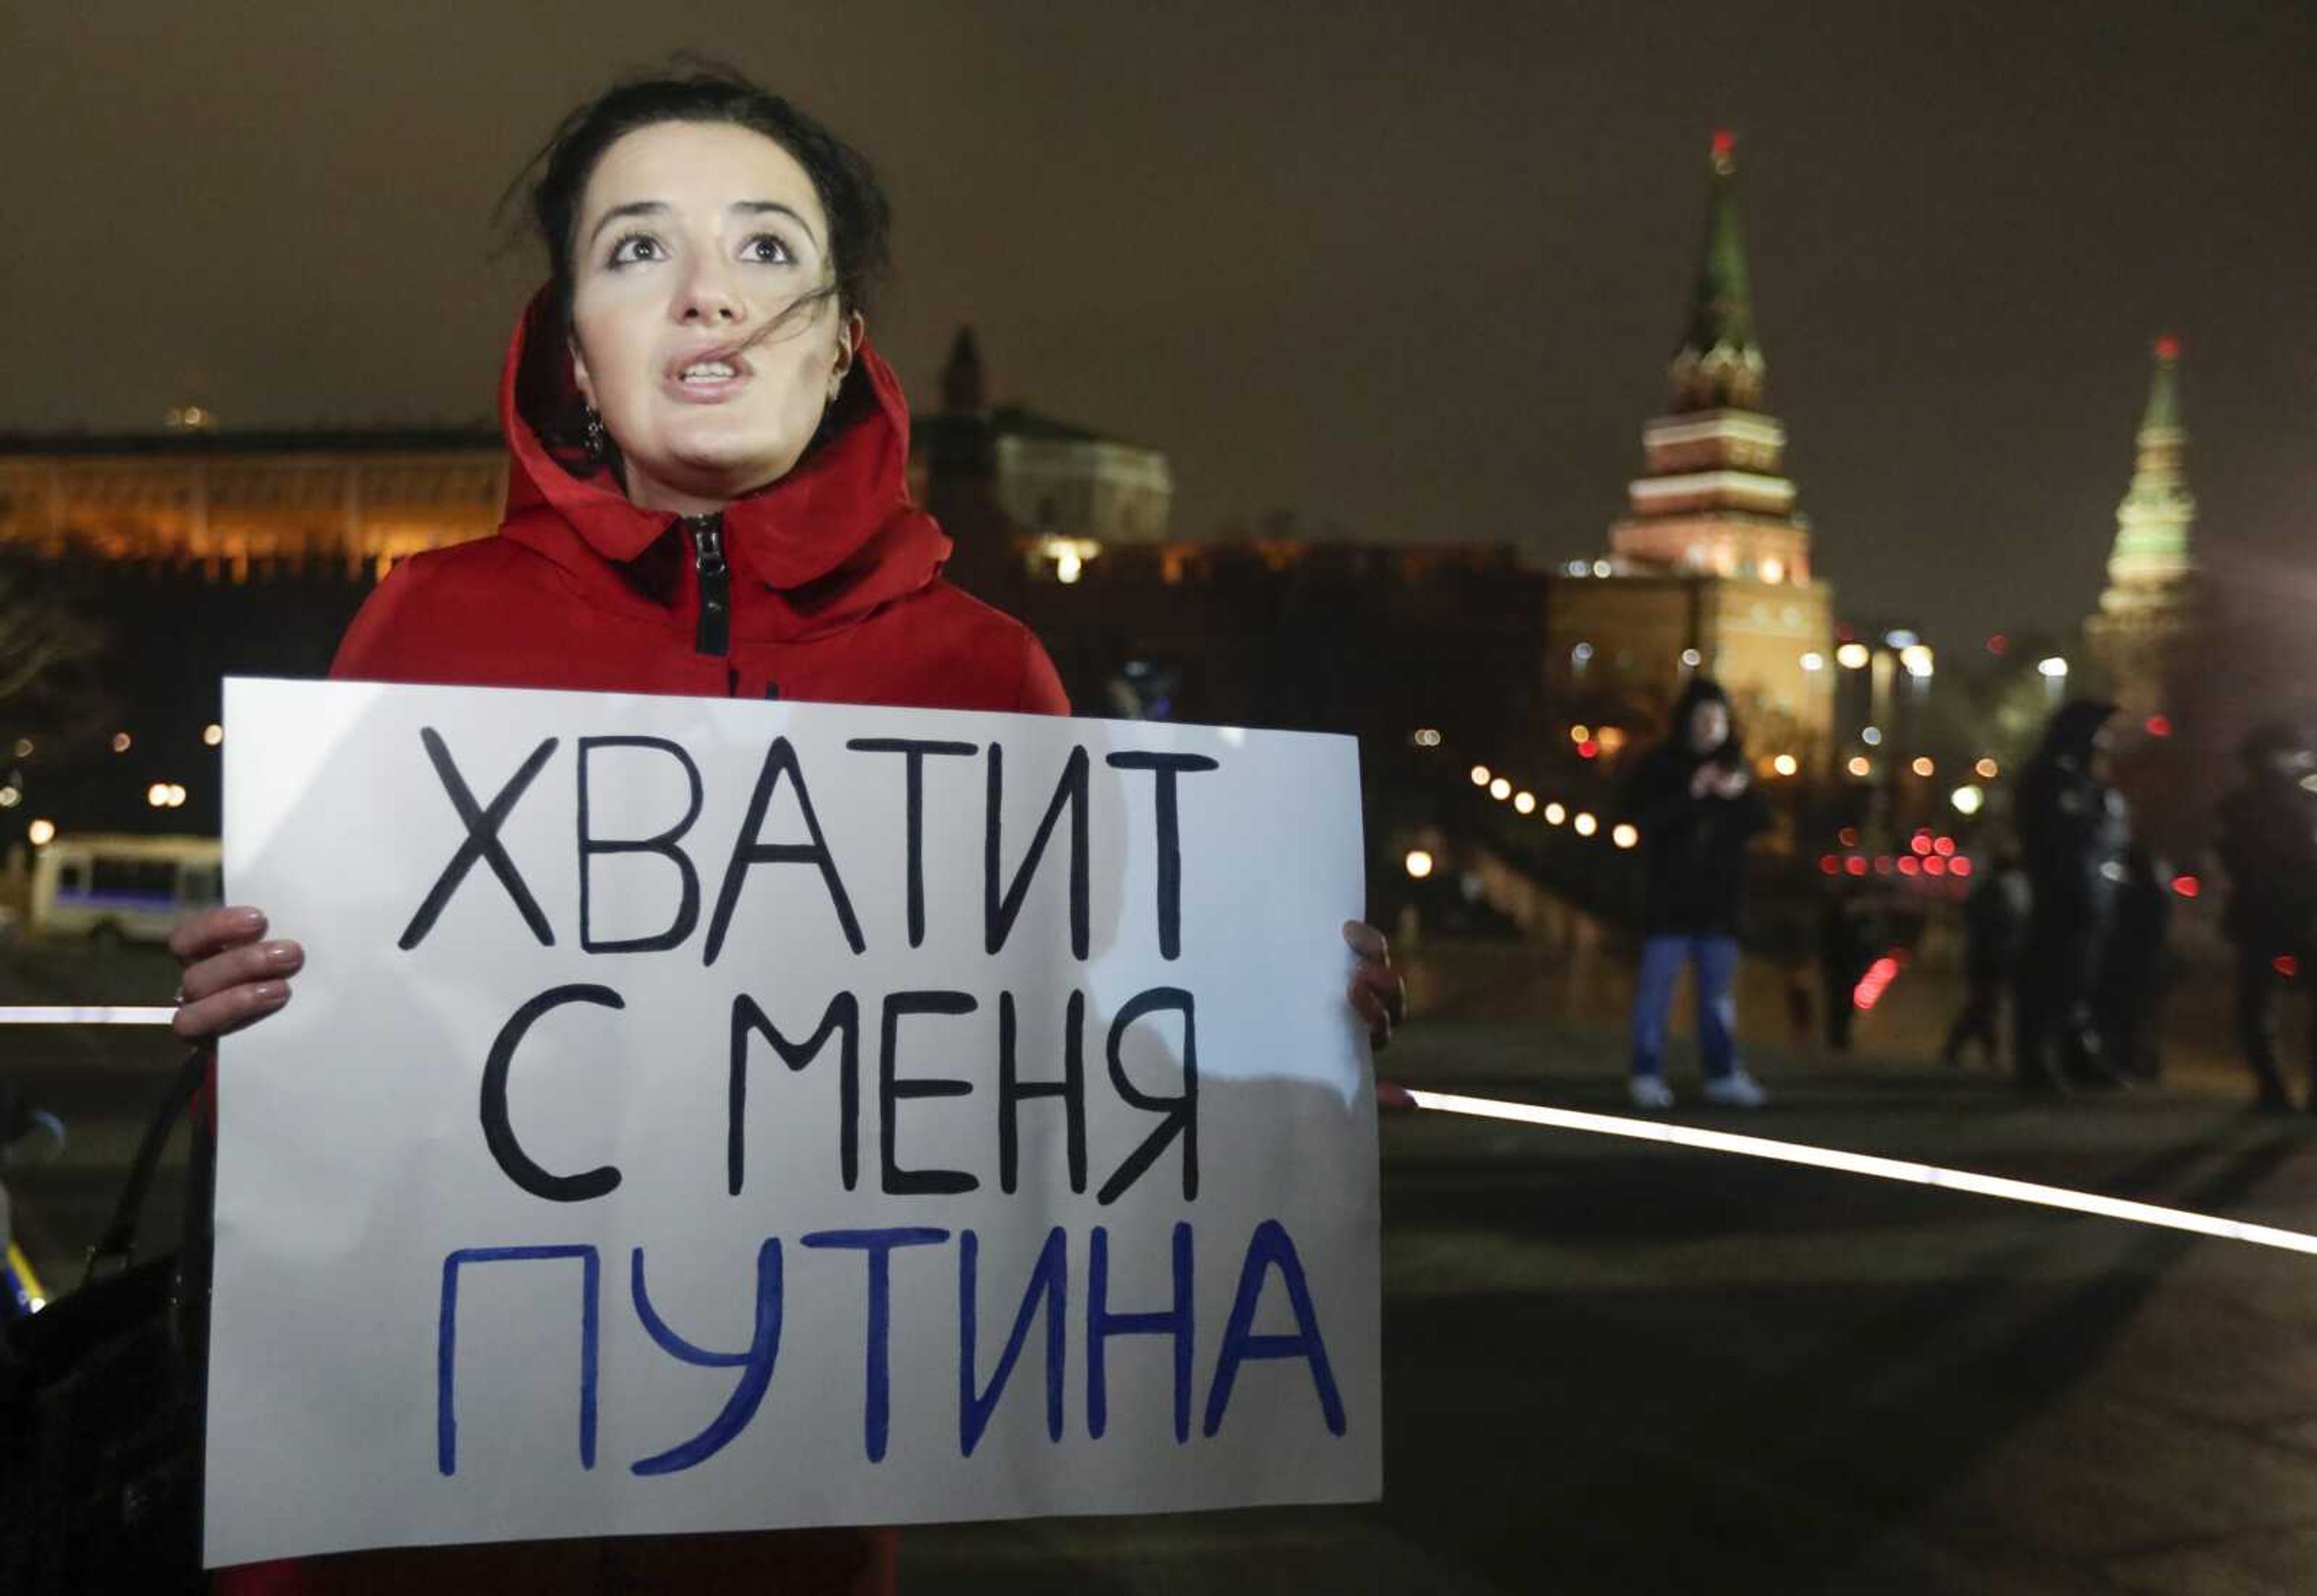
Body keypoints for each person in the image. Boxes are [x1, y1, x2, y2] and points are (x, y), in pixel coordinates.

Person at [164, 68, 1406, 1595]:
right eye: (637, 250)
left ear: (838, 348)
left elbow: (1071, 1094)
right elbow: (306, 1143)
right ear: (571, 349)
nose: (707, 298)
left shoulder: (986, 676)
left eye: (765, 250)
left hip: (781, 1539)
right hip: (412, 1534)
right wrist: (248, 1024)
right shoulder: (420, 628)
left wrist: (1285, 1046)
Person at [1619, 676, 1772, 1109]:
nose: (1709, 727)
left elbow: (1764, 821)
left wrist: (1738, 796)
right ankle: (1646, 1072)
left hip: (1720, 907)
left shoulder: (1737, 768)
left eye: (1717, 718)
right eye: (1702, 718)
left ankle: (1722, 1074)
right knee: (1655, 996)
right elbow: (1639, 818)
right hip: (1667, 903)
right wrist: (1692, 793)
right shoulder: (1660, 766)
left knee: (1718, 1000)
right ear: (1686, 721)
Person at [2012, 699, 2130, 1095]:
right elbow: (2059, 841)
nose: (2107, 743)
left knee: (2081, 977)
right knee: (2050, 974)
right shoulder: (2052, 779)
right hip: (2063, 895)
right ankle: (2037, 1056)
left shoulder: (2086, 781)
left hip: (2092, 896)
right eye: (2101, 733)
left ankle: (2075, 1051)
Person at [2214, 719, 2317, 1112]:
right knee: (2259, 1002)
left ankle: (2273, 1088)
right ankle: (2279, 1088)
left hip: (2268, 912)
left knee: (2256, 1002)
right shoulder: (2291, 802)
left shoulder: (2243, 803)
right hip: (2290, 911)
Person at [1940, 851, 2029, 1069]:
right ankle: (1971, 1050)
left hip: (1985, 956)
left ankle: (1971, 1050)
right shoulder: (1998, 893)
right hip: (1990, 957)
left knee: (1984, 1005)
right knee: (1984, 1005)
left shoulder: (1988, 890)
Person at [2096, 844, 2173, 1081]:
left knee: (2126, 1017)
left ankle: (2128, 1063)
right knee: (2143, 1016)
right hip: (2146, 963)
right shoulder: (2158, 894)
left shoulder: (2131, 895)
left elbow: (2118, 929)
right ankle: (2145, 1064)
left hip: (2130, 964)